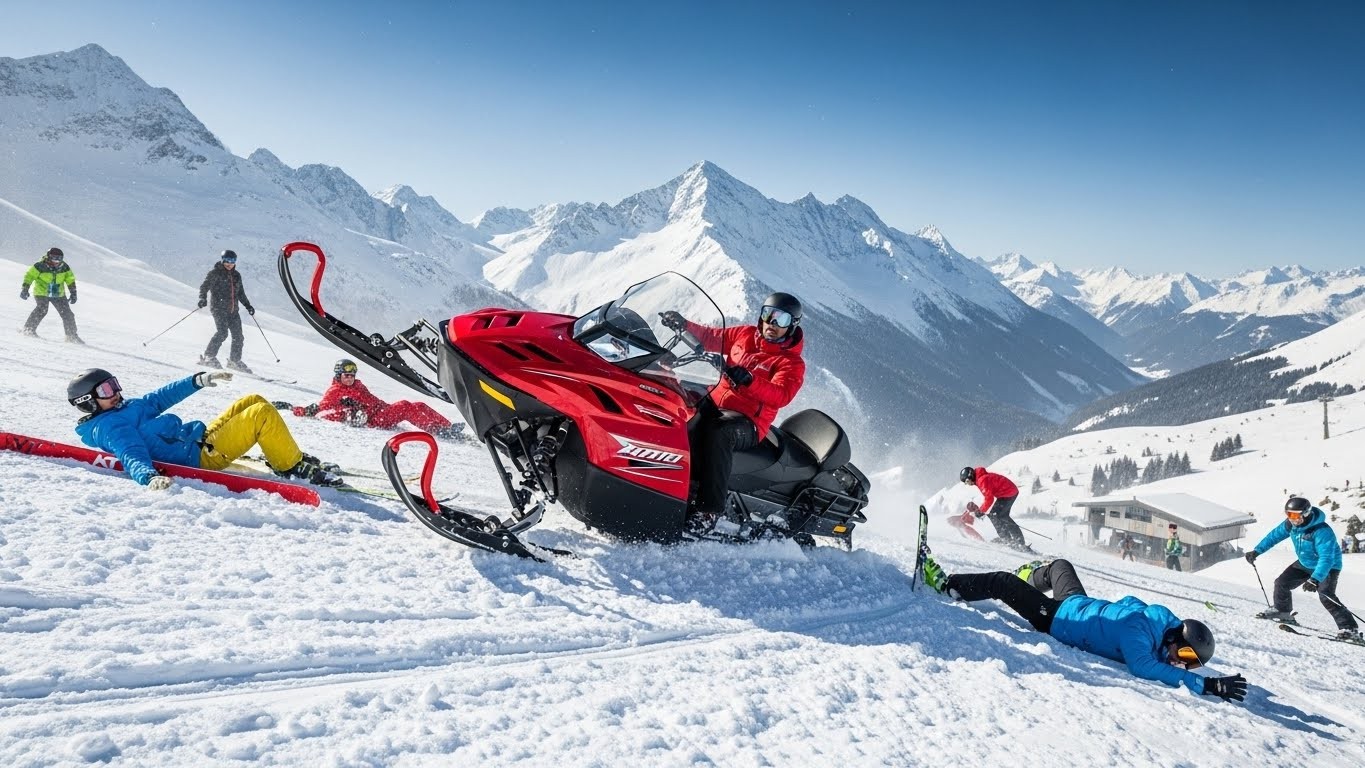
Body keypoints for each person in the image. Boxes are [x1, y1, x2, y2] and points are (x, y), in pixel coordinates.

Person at [920, 555, 1248, 702]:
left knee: (1061, 567)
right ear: (1176, 636)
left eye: (1192, 663)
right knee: (1004, 582)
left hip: (1076, 606)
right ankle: (948, 585)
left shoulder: (1155, 623)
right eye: (1187, 655)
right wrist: (1204, 685)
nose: (1184, 663)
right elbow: (1143, 666)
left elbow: (1132, 600)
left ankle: (1021, 583)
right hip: (1057, 618)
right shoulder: (1138, 634)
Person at [661, 292, 806, 529]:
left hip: (748, 422)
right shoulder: (745, 334)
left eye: (782, 320)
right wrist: (683, 324)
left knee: (720, 432)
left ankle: (709, 510)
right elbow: (711, 337)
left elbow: (782, 395)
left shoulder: (791, 363)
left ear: (792, 326)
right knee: (677, 394)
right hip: (717, 401)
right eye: (768, 315)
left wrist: (750, 380)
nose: (772, 323)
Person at [68, 367, 341, 489]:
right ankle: (290, 466)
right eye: (106, 389)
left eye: (114, 384)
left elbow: (159, 398)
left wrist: (198, 380)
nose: (115, 392)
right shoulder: (111, 425)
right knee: (261, 414)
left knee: (254, 400)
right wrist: (148, 477)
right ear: (88, 402)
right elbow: (131, 452)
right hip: (201, 457)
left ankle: (286, 452)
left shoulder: (122, 409)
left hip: (201, 439)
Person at [1245, 496, 1362, 642]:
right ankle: (1282, 611)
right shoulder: (1290, 525)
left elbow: (1326, 558)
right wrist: (1257, 551)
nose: (1292, 519)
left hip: (1328, 566)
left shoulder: (1322, 531)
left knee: (1326, 595)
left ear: (1306, 514)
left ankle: (1350, 629)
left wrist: (1315, 579)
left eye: (1295, 515)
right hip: (1305, 563)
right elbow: (1274, 536)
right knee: (1282, 583)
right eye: (1289, 514)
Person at [282, 359, 464, 441]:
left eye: (352, 375)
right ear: (338, 375)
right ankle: (437, 430)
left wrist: (387, 407)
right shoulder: (335, 391)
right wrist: (348, 413)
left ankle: (446, 427)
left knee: (418, 405)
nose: (349, 378)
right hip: (372, 420)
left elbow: (372, 399)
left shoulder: (358, 385)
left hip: (380, 412)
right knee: (405, 406)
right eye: (346, 375)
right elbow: (324, 411)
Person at [197, 249, 255, 373]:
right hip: (219, 308)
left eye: (232, 261)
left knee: (238, 337)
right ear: (223, 260)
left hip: (233, 310)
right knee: (222, 333)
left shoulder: (236, 275)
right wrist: (202, 298)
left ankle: (234, 361)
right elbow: (204, 286)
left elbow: (240, 292)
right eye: (227, 261)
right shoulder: (215, 273)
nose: (230, 263)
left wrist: (248, 305)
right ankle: (209, 356)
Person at [20, 247, 83, 343]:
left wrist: (73, 293)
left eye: (59, 258)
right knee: (42, 309)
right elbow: (29, 276)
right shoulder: (39, 266)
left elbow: (70, 279)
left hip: (58, 294)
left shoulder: (64, 267)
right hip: (42, 292)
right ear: (48, 257)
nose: (57, 261)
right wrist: (25, 289)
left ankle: (71, 336)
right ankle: (28, 329)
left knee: (67, 314)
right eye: (54, 258)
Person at [960, 466, 1029, 551]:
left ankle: (1011, 540)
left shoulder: (982, 480)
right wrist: (980, 510)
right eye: (966, 483)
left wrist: (981, 511)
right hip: (1006, 493)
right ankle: (1011, 539)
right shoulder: (980, 479)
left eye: (967, 481)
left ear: (970, 476)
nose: (968, 484)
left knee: (996, 515)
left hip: (1008, 493)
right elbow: (988, 496)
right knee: (1000, 515)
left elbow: (989, 499)